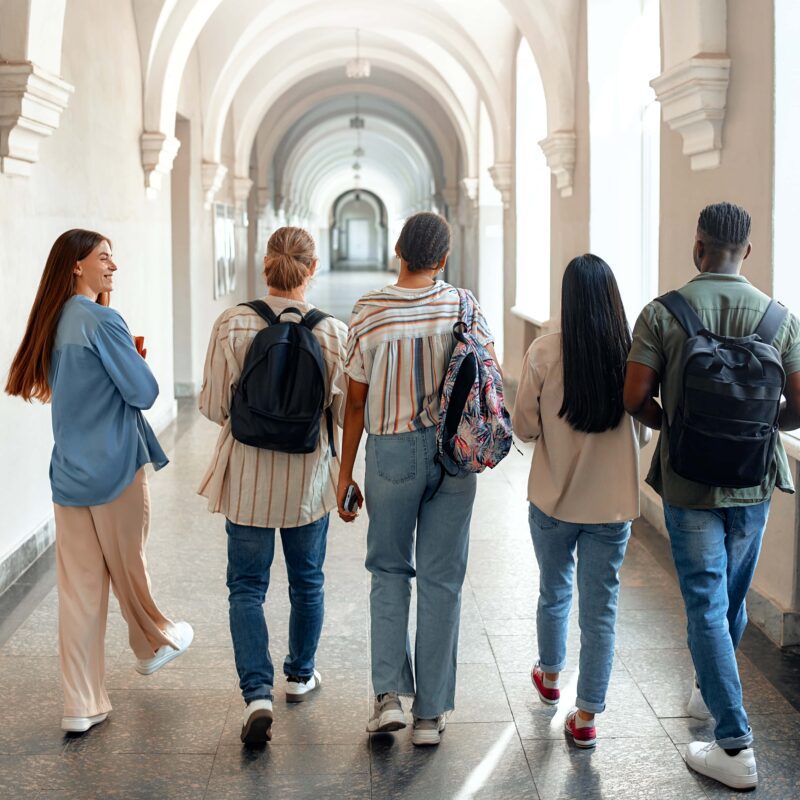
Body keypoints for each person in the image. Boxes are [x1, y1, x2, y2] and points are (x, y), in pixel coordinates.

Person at [624, 202, 800, 790]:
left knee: (704, 601)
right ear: (746, 251)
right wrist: (758, 426)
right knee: (730, 595)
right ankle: (708, 687)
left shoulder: (662, 313)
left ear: (697, 247)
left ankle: (735, 744)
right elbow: (798, 406)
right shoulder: (781, 319)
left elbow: (633, 396)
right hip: (755, 479)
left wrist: (674, 422)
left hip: (689, 478)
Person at [5, 229, 193, 734]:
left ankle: (80, 705)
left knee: (80, 593)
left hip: (68, 473)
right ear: (76, 266)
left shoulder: (55, 320)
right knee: (129, 566)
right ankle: (153, 643)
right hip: (115, 471)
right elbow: (145, 391)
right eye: (104, 259)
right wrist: (135, 356)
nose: (113, 267)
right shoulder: (102, 320)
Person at [337, 211, 498, 746]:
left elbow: (354, 403)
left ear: (397, 252)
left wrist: (344, 473)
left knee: (388, 570)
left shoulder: (369, 311)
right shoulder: (463, 304)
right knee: (442, 580)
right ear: (443, 260)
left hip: (391, 452)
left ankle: (388, 698)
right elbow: (487, 376)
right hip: (454, 452)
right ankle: (430, 714)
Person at [198, 226, 347, 746]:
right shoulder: (333, 333)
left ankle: (257, 693)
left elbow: (215, 406)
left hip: (248, 480)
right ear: (312, 268)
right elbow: (346, 414)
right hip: (308, 481)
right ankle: (301, 674)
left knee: (246, 587)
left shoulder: (233, 322)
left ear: (265, 264)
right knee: (307, 581)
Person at [513, 254, 647, 749]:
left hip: (552, 500)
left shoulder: (544, 353)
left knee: (554, 589)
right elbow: (644, 433)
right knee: (601, 610)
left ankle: (550, 678)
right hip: (612, 507)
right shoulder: (631, 354)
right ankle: (587, 714)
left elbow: (524, 427)